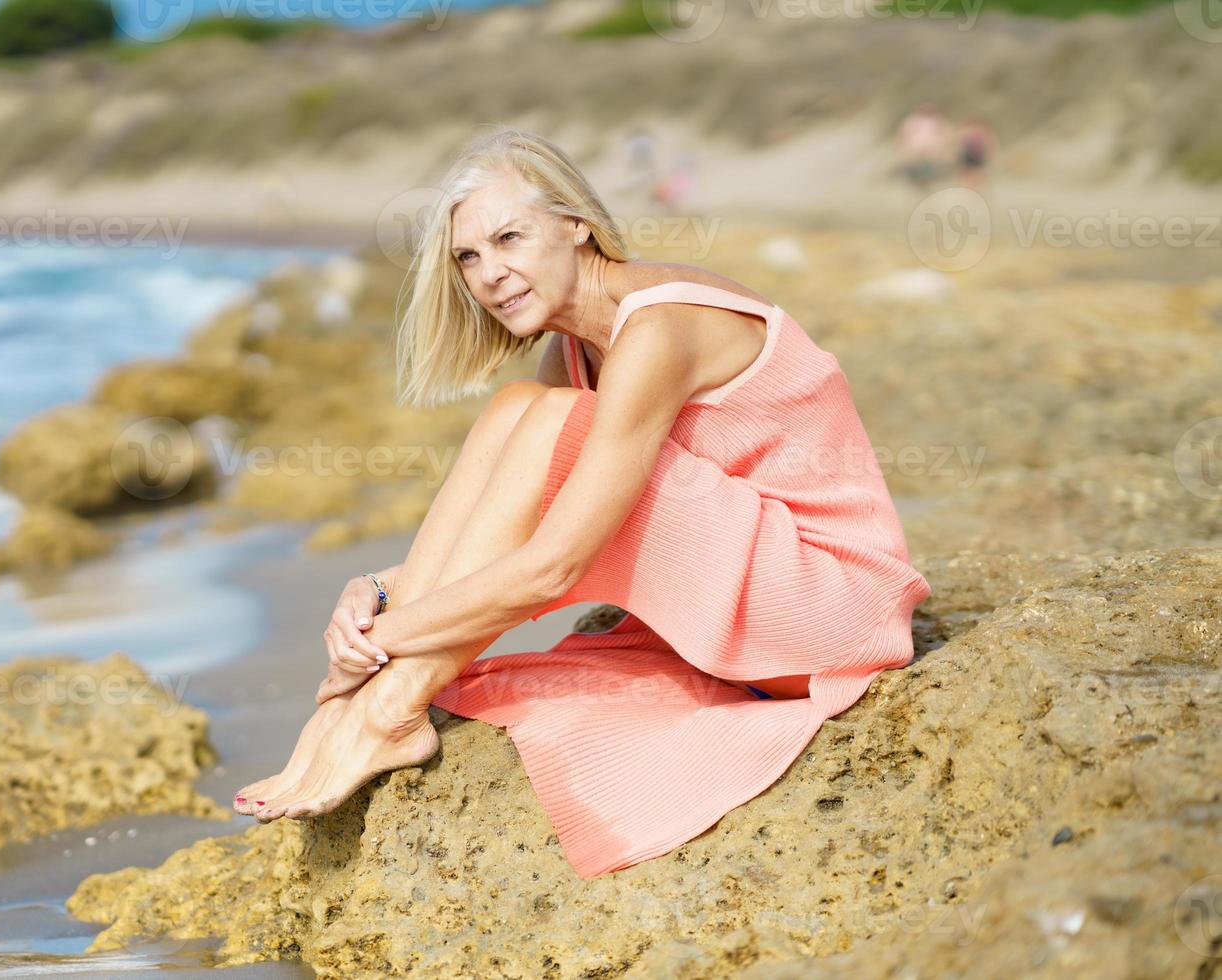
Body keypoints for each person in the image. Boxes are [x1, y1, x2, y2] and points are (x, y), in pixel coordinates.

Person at [233, 128, 931, 880]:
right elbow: (518, 524)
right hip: (754, 613)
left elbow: (552, 567)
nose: (491, 273)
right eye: (469, 257)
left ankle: (383, 713)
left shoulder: (661, 328)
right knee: (518, 410)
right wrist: (375, 594)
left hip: (831, 613)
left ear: (577, 226)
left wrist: (382, 649)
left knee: (548, 420)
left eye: (510, 238)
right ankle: (377, 709)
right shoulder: (570, 354)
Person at [894, 102, 954, 192]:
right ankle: (917, 189)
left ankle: (925, 189)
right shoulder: (912, 120)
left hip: (931, 152)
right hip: (915, 152)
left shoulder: (938, 120)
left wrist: (945, 149)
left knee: (930, 172)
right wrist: (902, 148)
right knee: (914, 171)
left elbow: (946, 135)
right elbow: (902, 134)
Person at [954, 114, 997, 193]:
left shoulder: (966, 130)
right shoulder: (983, 130)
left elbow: (958, 142)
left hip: (970, 154)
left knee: (970, 173)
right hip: (976, 154)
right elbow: (990, 142)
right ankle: (975, 189)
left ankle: (970, 189)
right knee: (975, 172)